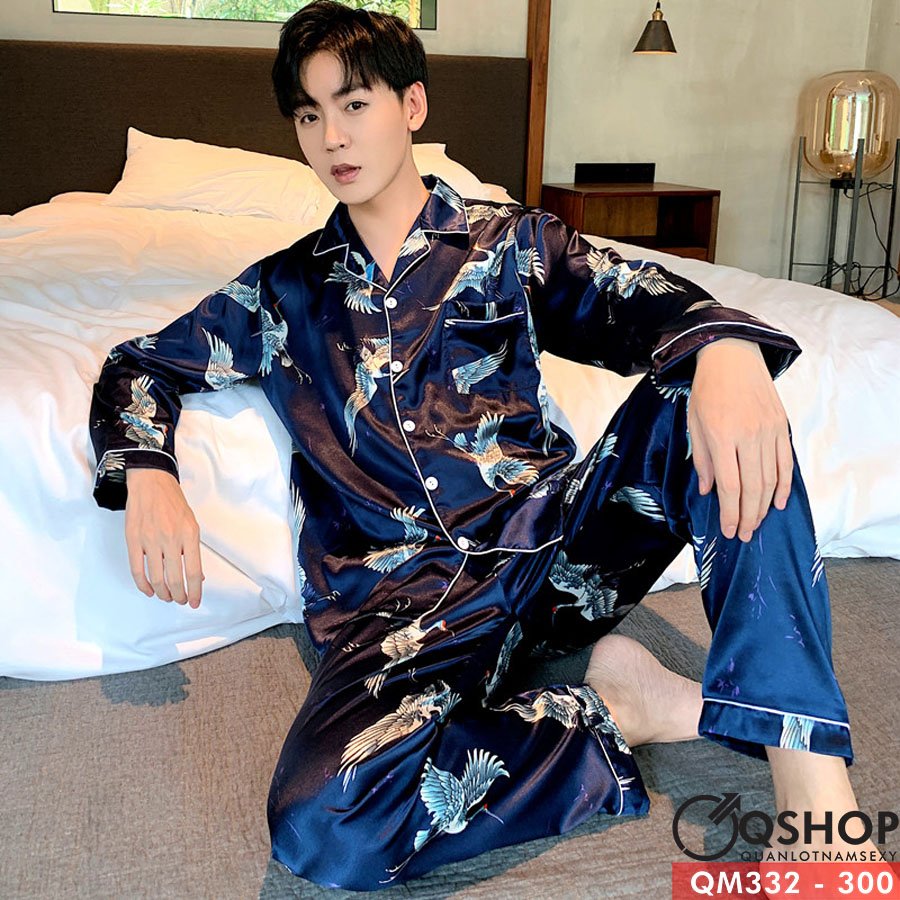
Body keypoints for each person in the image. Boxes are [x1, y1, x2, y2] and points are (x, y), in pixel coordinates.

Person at [89, 0, 881, 890]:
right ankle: (616, 712)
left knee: (717, 395)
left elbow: (632, 296)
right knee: (323, 822)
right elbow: (139, 365)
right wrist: (149, 470)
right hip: (400, 610)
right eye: (309, 115)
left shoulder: (511, 243)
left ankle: (817, 809)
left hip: (554, 557)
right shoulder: (282, 295)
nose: (331, 137)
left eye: (354, 104)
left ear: (413, 106)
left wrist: (724, 348)